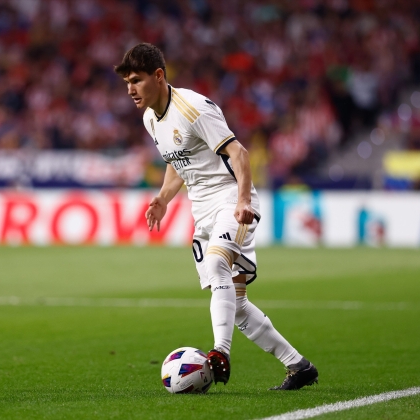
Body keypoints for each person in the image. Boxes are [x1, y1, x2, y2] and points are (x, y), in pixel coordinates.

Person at [114, 43, 318, 390]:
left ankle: (219, 352)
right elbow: (179, 161)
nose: (130, 89)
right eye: (126, 83)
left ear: (159, 76)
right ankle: (299, 367)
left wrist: (242, 201)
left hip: (231, 200)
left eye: (136, 80)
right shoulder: (151, 117)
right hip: (203, 211)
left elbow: (239, 152)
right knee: (236, 306)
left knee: (216, 262)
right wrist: (163, 198)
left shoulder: (193, 107)